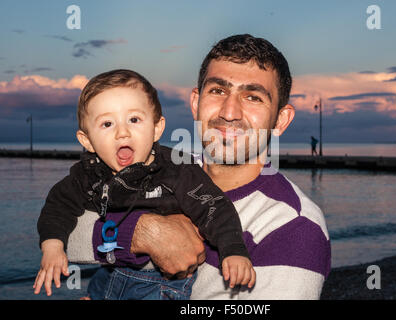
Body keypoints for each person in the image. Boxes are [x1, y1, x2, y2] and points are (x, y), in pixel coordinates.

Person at [66, 34, 331, 299]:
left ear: (281, 119)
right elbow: (64, 232)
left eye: (253, 97)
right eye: (218, 91)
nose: (229, 112)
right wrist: (139, 233)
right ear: (196, 102)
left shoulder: (295, 225)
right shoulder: (162, 170)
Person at [33, 69, 255, 299]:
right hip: (106, 278)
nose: (122, 132)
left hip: (159, 285)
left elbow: (214, 207)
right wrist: (52, 247)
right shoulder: (88, 174)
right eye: (107, 124)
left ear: (157, 128)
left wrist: (234, 250)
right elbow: (57, 207)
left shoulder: (177, 169)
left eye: (134, 119)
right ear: (87, 140)